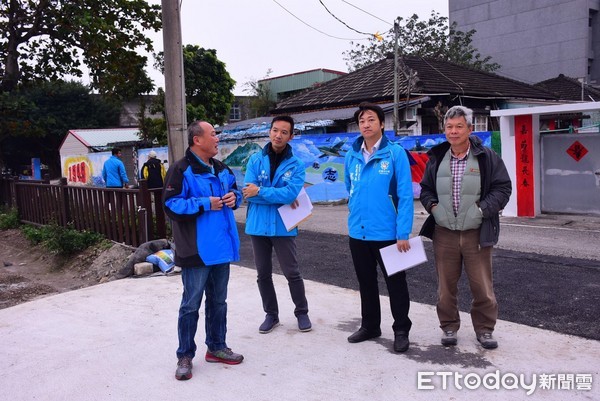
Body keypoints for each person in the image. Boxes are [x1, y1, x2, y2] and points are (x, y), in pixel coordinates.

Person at [419, 105, 512, 349]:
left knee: (482, 285)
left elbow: (503, 188)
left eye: (459, 126)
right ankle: (449, 326)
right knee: (445, 287)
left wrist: (481, 210)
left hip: (476, 233)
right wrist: (434, 208)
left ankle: (484, 330)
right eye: (449, 127)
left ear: (470, 129)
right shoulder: (437, 157)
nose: (454, 131)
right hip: (444, 233)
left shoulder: (486, 156)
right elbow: (426, 189)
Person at [163, 120, 244, 381]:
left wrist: (235, 198)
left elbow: (235, 190)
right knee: (190, 305)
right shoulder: (181, 169)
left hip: (221, 248)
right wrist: (204, 203)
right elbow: (171, 205)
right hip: (196, 250)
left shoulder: (221, 168)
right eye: (213, 134)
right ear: (197, 140)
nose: (217, 138)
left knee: (218, 302)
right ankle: (185, 355)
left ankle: (217, 347)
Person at [344, 102, 414, 353]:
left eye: (371, 119)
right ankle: (370, 325)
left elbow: (405, 195)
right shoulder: (351, 154)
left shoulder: (395, 154)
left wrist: (402, 232)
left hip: (388, 233)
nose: (366, 124)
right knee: (366, 282)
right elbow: (349, 187)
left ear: (382, 124)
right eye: (362, 120)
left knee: (396, 283)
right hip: (358, 232)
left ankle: (401, 329)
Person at [242, 115, 311, 334]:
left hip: (284, 225)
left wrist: (261, 191)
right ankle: (271, 315)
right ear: (269, 132)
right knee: (263, 273)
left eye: (283, 132)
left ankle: (302, 312)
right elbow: (247, 193)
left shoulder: (297, 165)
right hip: (258, 225)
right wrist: (271, 194)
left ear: (291, 136)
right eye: (274, 130)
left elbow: (291, 195)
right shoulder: (255, 160)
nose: (278, 135)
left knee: (292, 272)